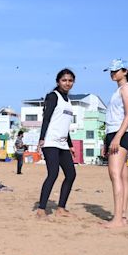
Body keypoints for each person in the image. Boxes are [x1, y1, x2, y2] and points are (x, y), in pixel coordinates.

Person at [102, 58, 128, 228]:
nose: (113, 73)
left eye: (116, 70)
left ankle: (117, 218)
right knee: (122, 176)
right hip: (114, 133)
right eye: (111, 71)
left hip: (122, 134)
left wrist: (117, 137)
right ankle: (122, 216)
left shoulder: (127, 88)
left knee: (115, 174)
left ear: (125, 71)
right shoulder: (118, 90)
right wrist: (107, 139)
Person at [36, 68, 77, 219]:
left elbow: (65, 126)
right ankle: (41, 209)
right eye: (64, 80)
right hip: (50, 142)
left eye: (70, 80)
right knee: (53, 174)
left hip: (63, 143)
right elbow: (46, 118)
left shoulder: (69, 100)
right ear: (58, 81)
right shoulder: (53, 96)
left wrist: (71, 145)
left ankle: (61, 208)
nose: (67, 83)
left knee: (71, 174)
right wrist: (41, 139)